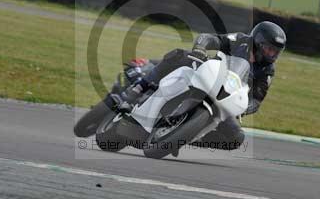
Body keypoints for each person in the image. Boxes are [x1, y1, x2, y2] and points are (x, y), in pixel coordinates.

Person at [110, 21, 287, 150]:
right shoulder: (240, 41)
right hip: (207, 75)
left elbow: (256, 100)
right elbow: (210, 39)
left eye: (276, 51)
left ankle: (187, 137)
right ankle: (140, 87)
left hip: (223, 99)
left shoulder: (267, 72)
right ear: (258, 41)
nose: (272, 54)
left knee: (237, 138)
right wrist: (200, 49)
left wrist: (242, 108)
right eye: (269, 49)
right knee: (179, 55)